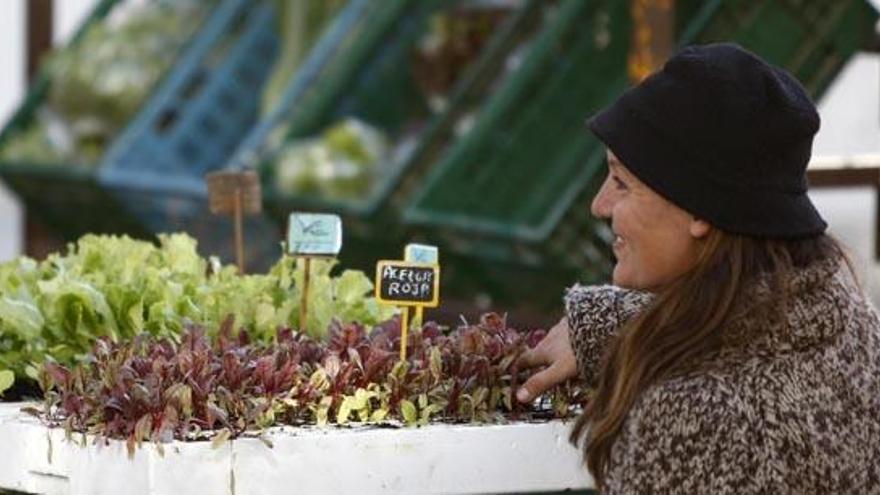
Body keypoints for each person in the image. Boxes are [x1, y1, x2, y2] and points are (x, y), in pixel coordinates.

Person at [515, 42, 880, 493]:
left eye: (622, 183)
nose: (599, 205)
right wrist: (617, 326)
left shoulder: (690, 419)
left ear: (700, 211)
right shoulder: (858, 332)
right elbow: (762, 328)